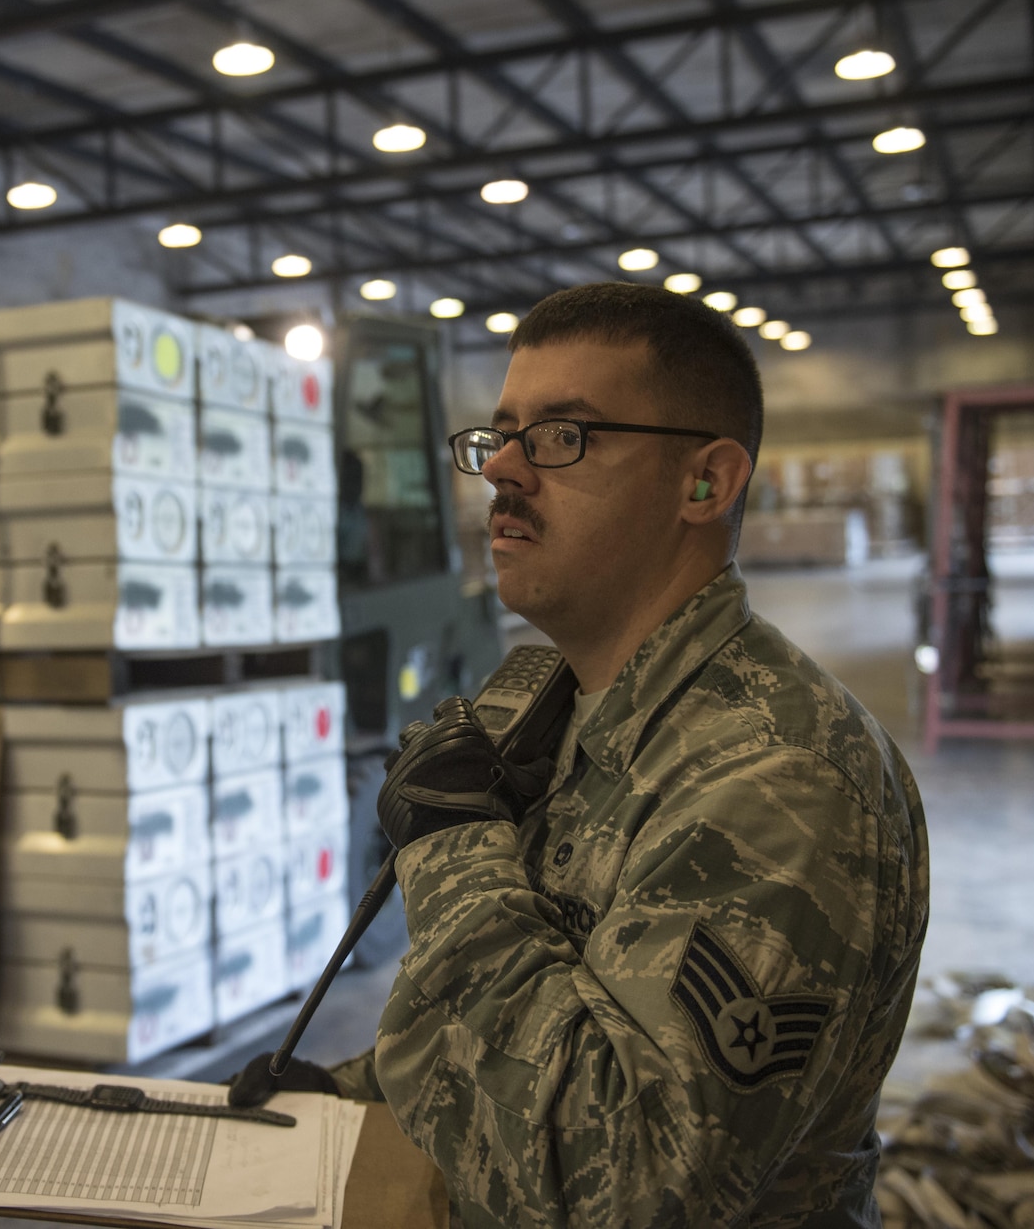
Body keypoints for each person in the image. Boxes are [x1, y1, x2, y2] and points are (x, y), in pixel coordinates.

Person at [239, 281, 929, 1227]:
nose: (505, 471)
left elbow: (629, 1186)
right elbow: (530, 1009)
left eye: (565, 435)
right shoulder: (563, 714)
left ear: (705, 482)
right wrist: (356, 1091)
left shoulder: (780, 775)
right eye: (504, 433)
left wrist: (452, 848)